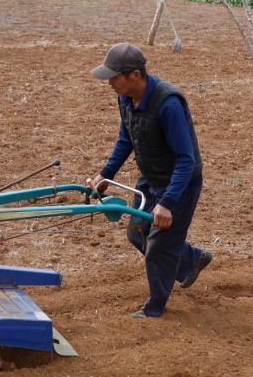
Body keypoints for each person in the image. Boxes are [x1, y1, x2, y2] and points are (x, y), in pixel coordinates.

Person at [90, 42, 212, 318]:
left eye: (114, 77)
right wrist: (105, 174)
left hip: (179, 184)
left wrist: (167, 203)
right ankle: (192, 259)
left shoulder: (168, 104)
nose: (109, 82)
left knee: (158, 248)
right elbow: (126, 139)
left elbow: (185, 158)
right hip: (151, 177)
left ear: (135, 75)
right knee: (137, 232)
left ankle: (155, 308)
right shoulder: (125, 98)